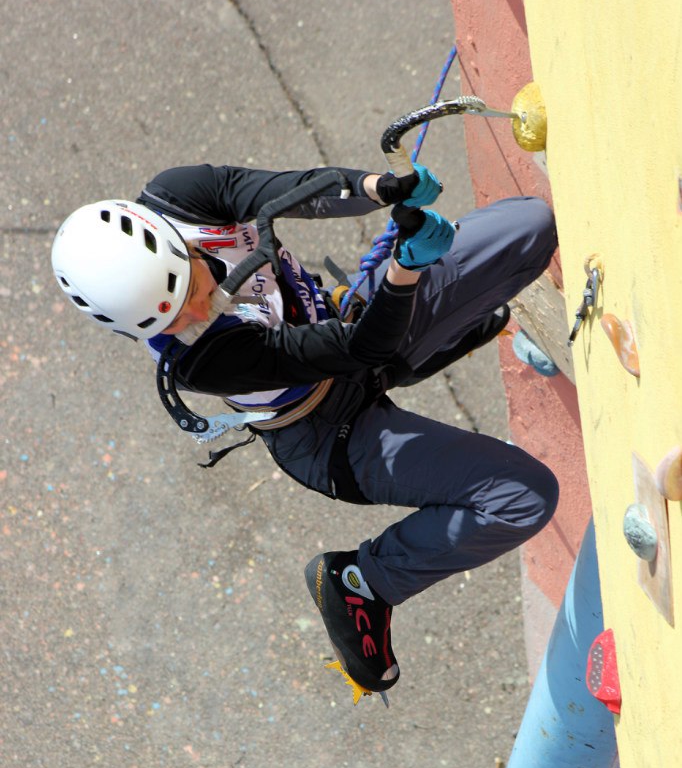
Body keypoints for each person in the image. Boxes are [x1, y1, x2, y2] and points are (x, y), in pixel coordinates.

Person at [51, 160, 559, 705]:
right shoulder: (201, 360)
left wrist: (378, 188)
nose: (199, 311)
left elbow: (288, 191)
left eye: (193, 289)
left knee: (530, 229)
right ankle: (366, 583)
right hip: (328, 430)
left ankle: (419, 347)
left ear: (181, 246)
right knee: (524, 497)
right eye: (173, 319)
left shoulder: (179, 198)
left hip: (342, 320)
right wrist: (405, 269)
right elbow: (360, 348)